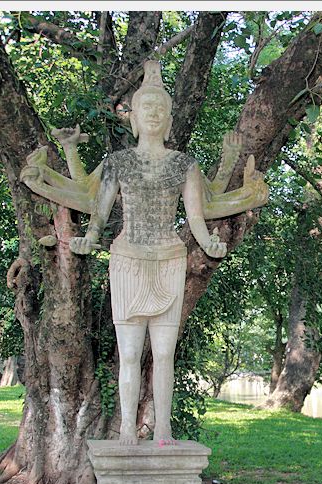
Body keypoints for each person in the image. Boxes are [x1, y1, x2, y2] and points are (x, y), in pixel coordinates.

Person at [69, 61, 265, 446]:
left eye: (161, 108)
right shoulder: (118, 163)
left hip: (170, 259)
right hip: (127, 258)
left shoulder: (183, 165)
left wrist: (208, 242)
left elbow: (195, 217)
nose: (154, 114)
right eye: (147, 108)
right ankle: (127, 428)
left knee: (163, 355)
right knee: (127, 356)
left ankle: (162, 428)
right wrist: (89, 236)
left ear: (170, 118)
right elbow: (100, 213)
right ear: (135, 118)